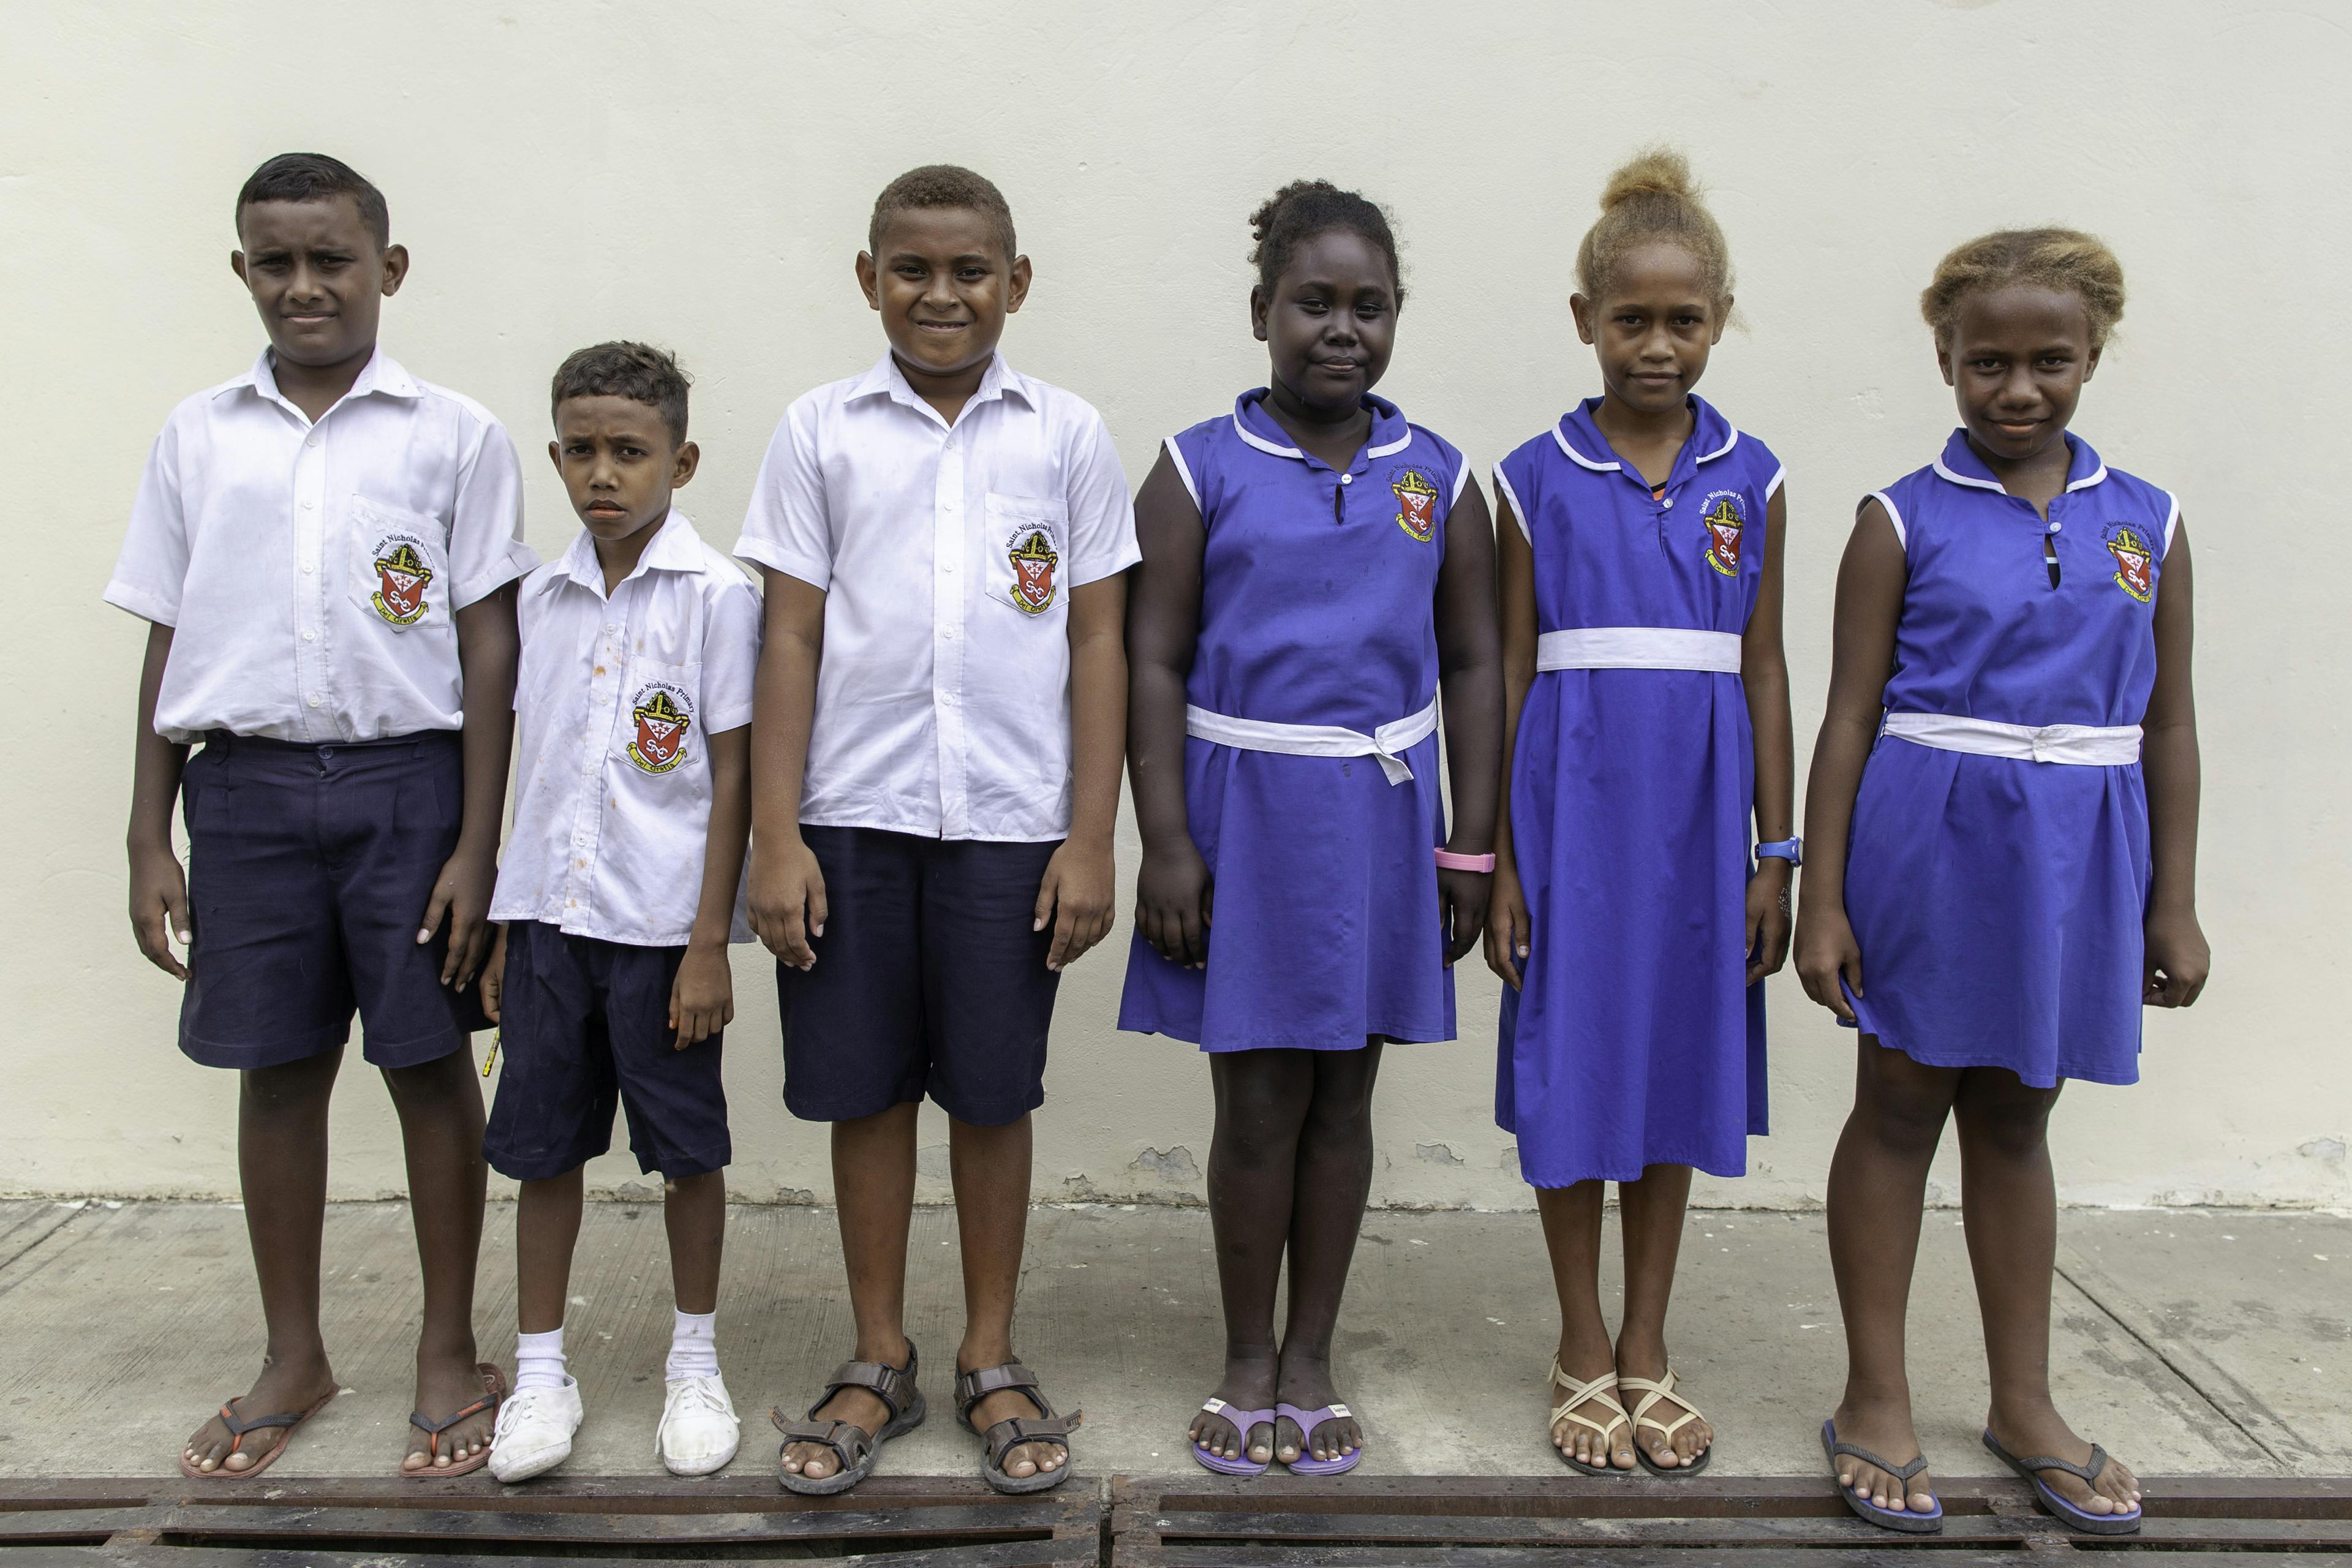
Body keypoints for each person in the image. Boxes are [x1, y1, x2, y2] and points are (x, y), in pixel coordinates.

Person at [110, 153, 535, 1479]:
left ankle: (449, 1346)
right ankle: (293, 1348)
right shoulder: (198, 435)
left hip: (413, 788)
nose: (304, 286)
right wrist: (147, 828)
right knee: (277, 1070)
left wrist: (480, 842)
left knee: (425, 1066)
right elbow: (169, 636)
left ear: (387, 270)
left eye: (331, 260)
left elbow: (488, 650)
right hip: (242, 791)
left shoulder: (453, 435)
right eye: (274, 262)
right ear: (243, 270)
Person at [1795, 229, 2206, 1536]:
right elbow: (1847, 718)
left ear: (2094, 357)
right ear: (1946, 360)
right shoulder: (1898, 517)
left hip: (2081, 854)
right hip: (1931, 842)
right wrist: (1824, 893)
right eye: (1988, 362)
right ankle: (1876, 1393)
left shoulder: (2151, 521)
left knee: (2023, 1118)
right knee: (1903, 1103)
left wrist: (2174, 896)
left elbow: (2171, 723)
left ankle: (2023, 1398)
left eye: (2049, 360)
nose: (2017, 388)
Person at [739, 165, 1132, 1495]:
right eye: (913, 268)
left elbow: (1098, 638)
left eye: (971, 271)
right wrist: (773, 836)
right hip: (851, 818)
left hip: (1011, 825)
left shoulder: (1067, 436)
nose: (942, 294)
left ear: (1017, 284)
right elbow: (787, 632)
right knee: (865, 1089)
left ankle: (991, 1350)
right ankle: (877, 1351)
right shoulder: (818, 431)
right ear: (869, 279)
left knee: (992, 1089)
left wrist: (1090, 836)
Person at [1121, 181, 1503, 1477]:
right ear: (1261, 312)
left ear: (1398, 318)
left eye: (1370, 305)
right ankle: (1245, 1356)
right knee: (1258, 1095)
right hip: (1244, 817)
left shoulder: (1438, 477)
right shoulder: (1196, 467)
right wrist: (1164, 839)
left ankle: (1315, 1353)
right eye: (1315, 303)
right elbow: (1154, 659)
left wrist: (1471, 843)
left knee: (1346, 1093)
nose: (1343, 328)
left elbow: (1475, 662)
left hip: (1385, 821)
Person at [1483, 149, 1792, 1479]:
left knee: (1670, 1061)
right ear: (1584, 322)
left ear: (1719, 320)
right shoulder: (1529, 475)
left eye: (1684, 320)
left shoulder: (1756, 475)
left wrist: (1776, 851)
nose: (1657, 345)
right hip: (1571, 807)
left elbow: (1768, 666)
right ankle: (1579, 1335)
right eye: (1631, 319)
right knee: (1574, 1064)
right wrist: (1495, 854)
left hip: (1703, 815)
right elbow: (1503, 667)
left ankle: (1650, 1341)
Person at [477, 343, 758, 1482]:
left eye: (630, 452)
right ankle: (541, 1369)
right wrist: (504, 921)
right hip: (548, 924)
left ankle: (695, 1360)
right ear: (556, 456)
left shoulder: (719, 598)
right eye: (582, 451)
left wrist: (709, 944)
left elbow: (732, 779)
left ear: (680, 461)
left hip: (660, 935)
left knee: (687, 1152)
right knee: (545, 1152)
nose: (605, 473)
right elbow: (529, 771)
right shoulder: (535, 600)